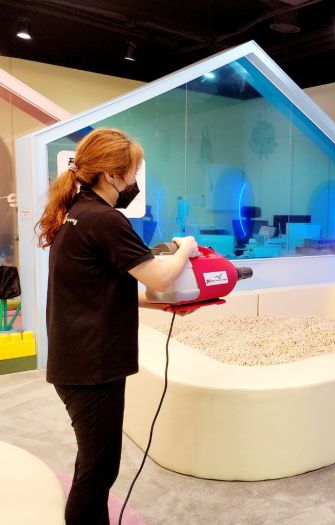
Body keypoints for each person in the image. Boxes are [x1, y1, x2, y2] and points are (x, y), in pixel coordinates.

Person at [36, 128, 197, 525]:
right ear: (112, 175)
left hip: (78, 358)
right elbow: (161, 276)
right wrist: (187, 249)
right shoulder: (104, 219)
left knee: (96, 462)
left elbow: (101, 289)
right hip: (92, 365)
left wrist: (161, 304)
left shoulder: (77, 213)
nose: (134, 181)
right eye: (132, 173)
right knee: (98, 470)